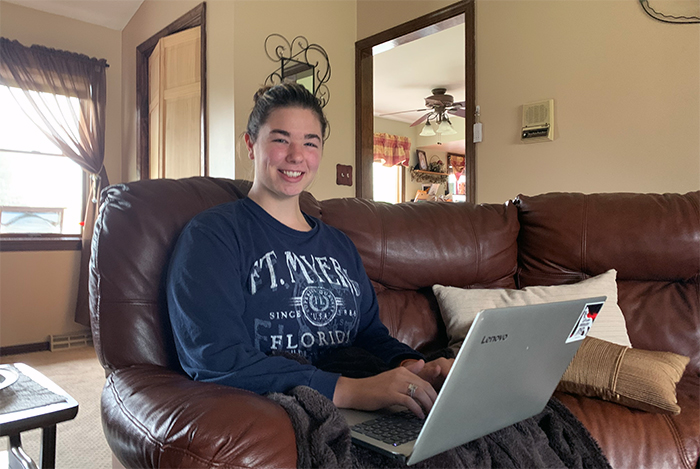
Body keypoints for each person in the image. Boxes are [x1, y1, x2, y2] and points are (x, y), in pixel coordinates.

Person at [167, 82, 453, 419]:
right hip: (291, 411)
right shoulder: (213, 235)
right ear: (251, 144)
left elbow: (369, 333)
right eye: (281, 139)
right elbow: (215, 356)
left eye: (310, 142)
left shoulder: (339, 246)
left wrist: (411, 367)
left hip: (369, 398)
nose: (296, 155)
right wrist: (349, 390)